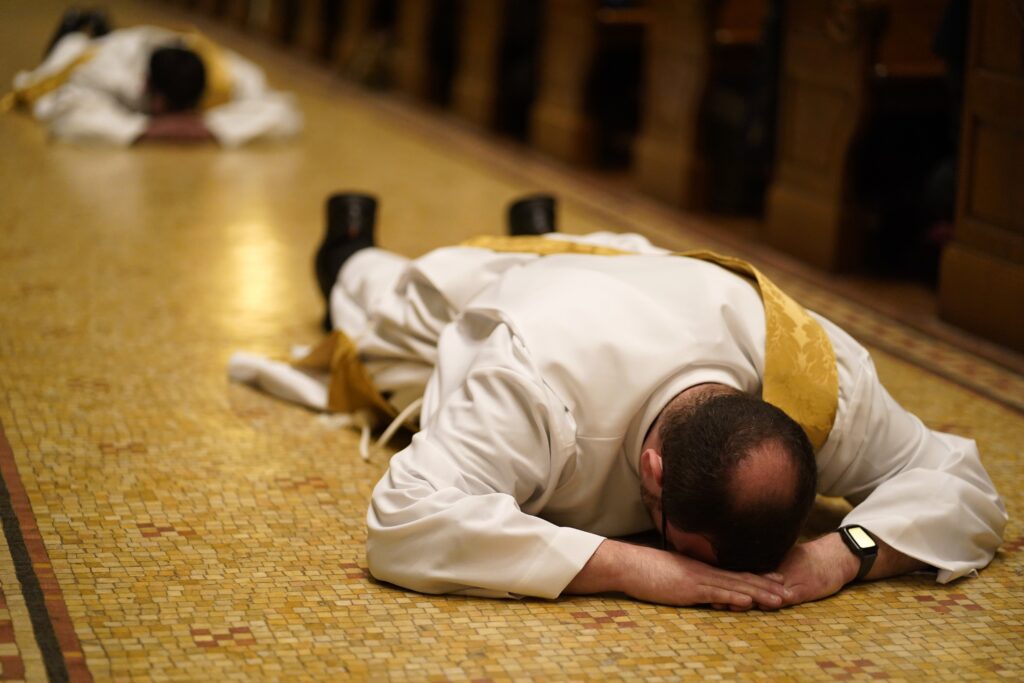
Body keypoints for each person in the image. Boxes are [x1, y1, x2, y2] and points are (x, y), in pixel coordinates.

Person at [229, 192, 1006, 610]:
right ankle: (349, 236)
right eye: (679, 541)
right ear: (652, 469)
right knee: (373, 307)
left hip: (631, 270)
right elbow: (403, 519)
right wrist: (635, 567)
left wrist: (842, 554)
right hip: (502, 302)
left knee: (601, 253)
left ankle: (543, 224)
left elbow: (963, 484)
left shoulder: (816, 378)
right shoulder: (532, 385)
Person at [2, 8, 302, 146]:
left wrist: (213, 129)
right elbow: (67, 115)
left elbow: (284, 112)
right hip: (80, 55)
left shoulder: (226, 74)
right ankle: (82, 23)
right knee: (75, 37)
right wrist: (148, 129)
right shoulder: (107, 68)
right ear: (146, 83)